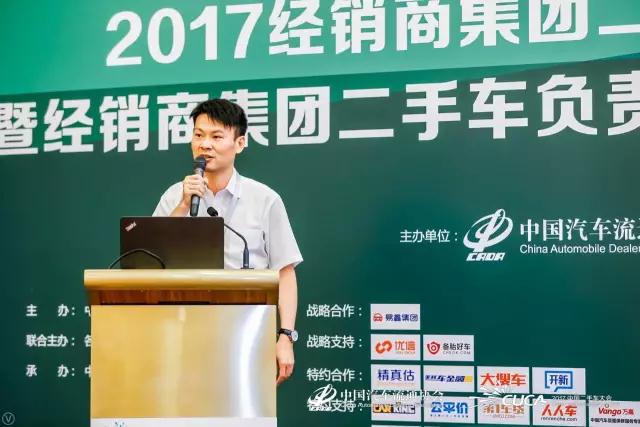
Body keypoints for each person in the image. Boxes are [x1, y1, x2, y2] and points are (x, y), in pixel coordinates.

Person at [153, 99, 302, 385]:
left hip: (248, 331)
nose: (205, 144)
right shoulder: (175, 196)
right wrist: (183, 206)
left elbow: (285, 272)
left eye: (216, 136)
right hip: (182, 330)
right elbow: (150, 259)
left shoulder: (265, 199)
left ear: (240, 143)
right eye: (198, 135)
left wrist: (285, 336)